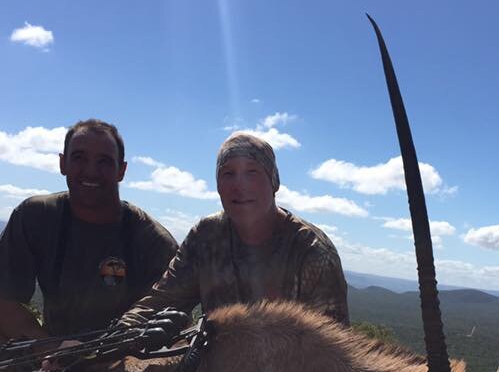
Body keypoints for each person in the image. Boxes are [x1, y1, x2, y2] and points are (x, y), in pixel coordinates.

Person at [0, 118, 178, 372]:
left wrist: (102, 355)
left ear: (121, 170)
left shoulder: (152, 240)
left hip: (121, 362)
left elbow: (170, 324)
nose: (90, 171)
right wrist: (52, 348)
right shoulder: (35, 216)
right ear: (62, 163)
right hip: (47, 352)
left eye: (104, 162)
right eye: (79, 158)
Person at [118, 132, 348, 331]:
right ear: (218, 185)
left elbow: (331, 352)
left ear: (274, 181)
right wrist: (112, 341)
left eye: (252, 172)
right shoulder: (206, 237)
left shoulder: (312, 252)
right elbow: (161, 302)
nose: (240, 185)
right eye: (228, 173)